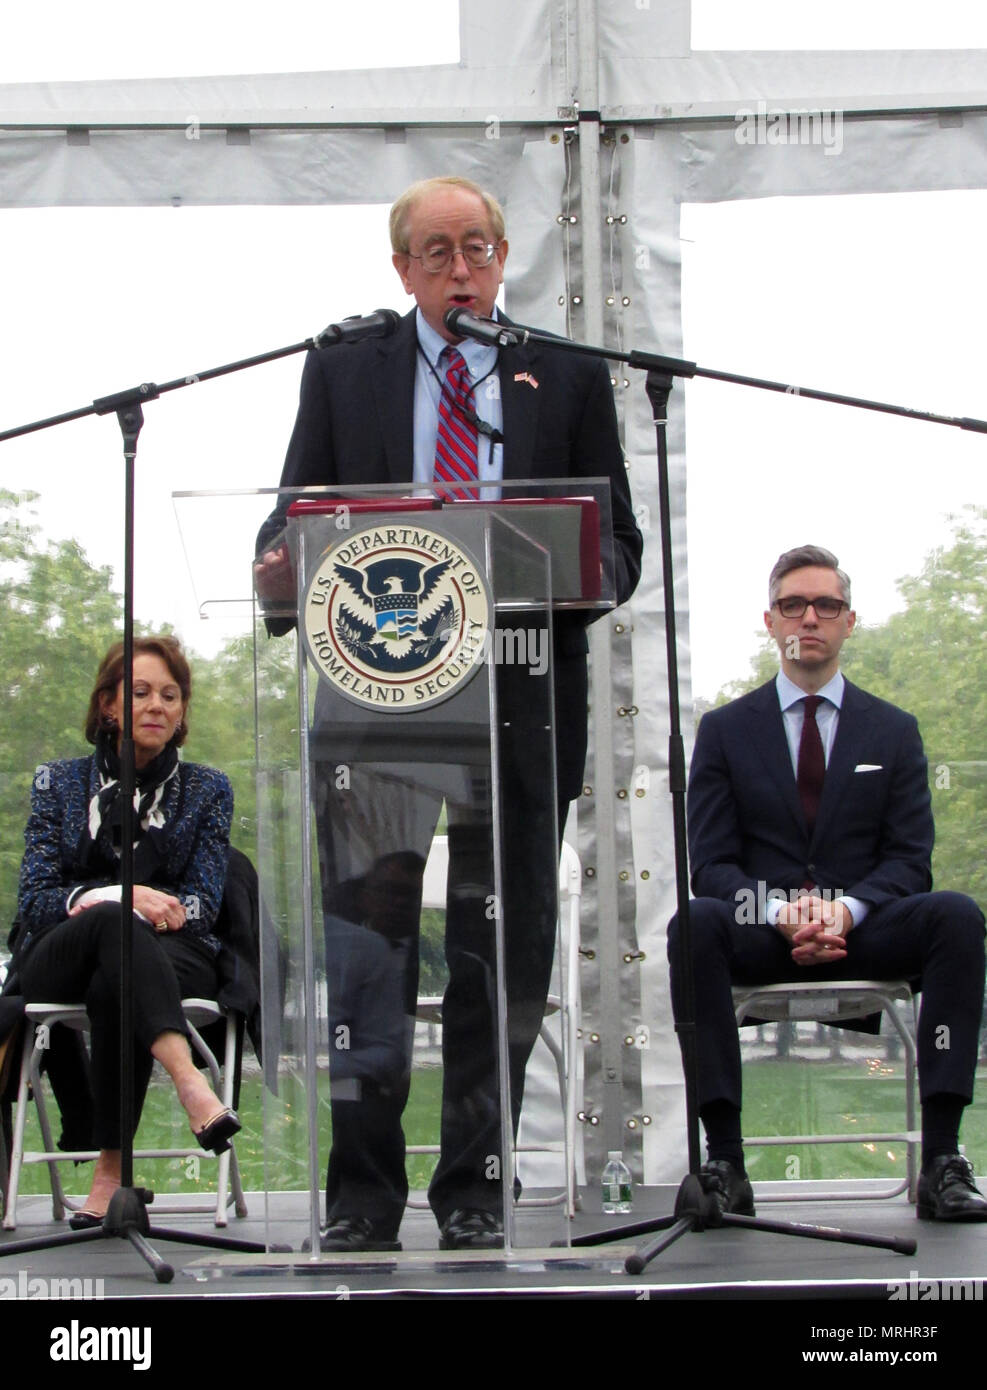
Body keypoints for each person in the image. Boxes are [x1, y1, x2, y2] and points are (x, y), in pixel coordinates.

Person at [255, 175, 642, 1251]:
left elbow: (622, 545)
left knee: (496, 950)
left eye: (476, 246)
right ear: (401, 269)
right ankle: (362, 1197)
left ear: (505, 254)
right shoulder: (344, 368)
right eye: (436, 251)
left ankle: (474, 1186)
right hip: (378, 699)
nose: (459, 267)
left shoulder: (562, 371)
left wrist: (578, 559)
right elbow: (288, 519)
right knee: (368, 957)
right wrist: (279, 564)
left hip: (520, 692)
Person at [668, 544, 987, 1221]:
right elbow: (711, 865)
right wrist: (782, 913)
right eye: (792, 605)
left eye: (825, 605)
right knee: (693, 922)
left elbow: (909, 861)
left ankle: (941, 1161)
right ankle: (723, 1160)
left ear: (848, 622)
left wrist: (844, 911)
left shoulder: (894, 730)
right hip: (762, 926)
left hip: (864, 927)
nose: (807, 618)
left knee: (955, 914)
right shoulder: (724, 731)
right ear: (769, 620)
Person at [13, 635, 240, 1226]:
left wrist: (129, 916)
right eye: (140, 692)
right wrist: (118, 897)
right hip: (60, 952)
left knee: (119, 974)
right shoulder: (56, 784)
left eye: (171, 695)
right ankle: (190, 1081)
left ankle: (110, 1175)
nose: (158, 705)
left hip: (174, 951)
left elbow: (201, 903)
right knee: (113, 926)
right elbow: (36, 902)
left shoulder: (209, 788)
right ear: (109, 706)